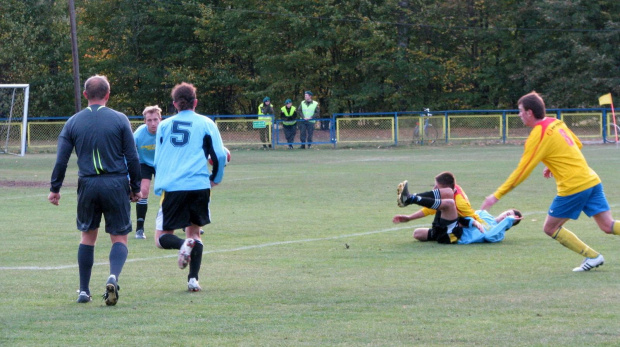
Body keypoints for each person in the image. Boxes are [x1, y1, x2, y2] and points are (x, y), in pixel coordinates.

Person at [480, 91, 620, 272]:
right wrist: (552, 163)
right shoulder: (555, 122)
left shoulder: (538, 135)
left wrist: (496, 196)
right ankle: (593, 257)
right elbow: (576, 143)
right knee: (607, 225)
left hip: (573, 187)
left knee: (550, 228)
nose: (519, 114)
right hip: (591, 180)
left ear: (530, 112)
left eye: (520, 111)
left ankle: (593, 256)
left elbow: (522, 171)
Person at [48, 75, 141, 305]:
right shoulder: (120, 120)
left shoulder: (72, 122)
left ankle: (83, 290)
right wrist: (136, 187)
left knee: (87, 237)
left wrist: (55, 188)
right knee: (119, 237)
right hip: (115, 183)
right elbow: (132, 157)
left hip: (88, 184)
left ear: (85, 95)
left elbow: (61, 160)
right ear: (108, 95)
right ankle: (112, 276)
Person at [153, 82, 227, 292]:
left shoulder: (164, 126)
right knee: (194, 234)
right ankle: (193, 279)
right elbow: (219, 155)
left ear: (175, 104)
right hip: (198, 184)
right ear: (195, 102)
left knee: (161, 238)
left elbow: (158, 159)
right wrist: (216, 177)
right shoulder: (206, 123)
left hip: (174, 186)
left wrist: (161, 184)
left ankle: (180, 245)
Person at [393, 171, 484, 244]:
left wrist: (475, 223)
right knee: (417, 233)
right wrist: (409, 218)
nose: (434, 188)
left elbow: (472, 218)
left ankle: (410, 198)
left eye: (437, 186)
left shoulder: (459, 202)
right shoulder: (454, 188)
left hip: (449, 234)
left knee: (449, 201)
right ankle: (409, 198)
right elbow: (430, 209)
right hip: (440, 229)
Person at [133, 105, 161, 239]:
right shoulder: (138, 134)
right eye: (149, 120)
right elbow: (129, 154)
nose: (153, 123)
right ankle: (139, 229)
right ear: (145, 121)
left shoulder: (165, 132)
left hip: (161, 163)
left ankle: (184, 222)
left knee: (173, 191)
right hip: (144, 163)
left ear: (160, 119)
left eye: (155, 119)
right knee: (143, 191)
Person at [456, 209, 522, 244]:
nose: (505, 217)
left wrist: (507, 220)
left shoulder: (499, 235)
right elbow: (466, 216)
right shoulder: (483, 213)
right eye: (507, 214)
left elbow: (488, 236)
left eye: (509, 219)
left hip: (457, 238)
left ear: (509, 225)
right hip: (453, 224)